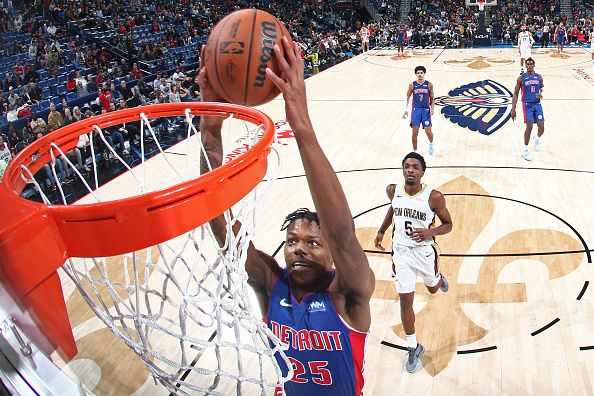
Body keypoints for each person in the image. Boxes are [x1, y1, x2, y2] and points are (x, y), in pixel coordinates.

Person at [199, 37, 374, 396]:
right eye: (292, 241)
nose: (299, 249)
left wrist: (303, 129)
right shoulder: (270, 282)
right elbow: (221, 226)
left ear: (331, 257)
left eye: (312, 242)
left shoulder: (350, 293)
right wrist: (211, 133)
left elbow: (342, 236)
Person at [374, 152, 452, 373]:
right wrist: (382, 230)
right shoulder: (393, 190)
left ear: (422, 172)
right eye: (407, 166)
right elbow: (394, 208)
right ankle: (413, 346)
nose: (410, 170)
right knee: (405, 302)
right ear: (403, 169)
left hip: (424, 252)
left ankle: (438, 279)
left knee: (433, 289)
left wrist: (431, 232)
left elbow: (448, 224)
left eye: (415, 167)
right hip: (400, 253)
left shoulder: (433, 197)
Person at [511, 57, 544, 162]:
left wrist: (541, 94)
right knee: (529, 126)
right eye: (527, 64)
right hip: (527, 105)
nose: (529, 66)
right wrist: (513, 109)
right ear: (525, 66)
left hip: (537, 104)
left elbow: (542, 89)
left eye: (531, 64)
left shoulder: (539, 77)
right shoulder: (521, 78)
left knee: (542, 127)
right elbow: (515, 93)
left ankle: (537, 138)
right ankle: (525, 150)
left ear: (534, 65)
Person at [403, 66, 435, 155]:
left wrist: (432, 108)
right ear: (416, 74)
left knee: (429, 132)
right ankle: (415, 151)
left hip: (426, 111)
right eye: (418, 73)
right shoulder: (412, 85)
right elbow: (407, 97)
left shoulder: (429, 84)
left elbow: (432, 98)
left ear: (424, 73)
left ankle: (431, 144)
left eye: (421, 73)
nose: (420, 74)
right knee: (414, 132)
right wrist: (405, 110)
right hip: (416, 111)